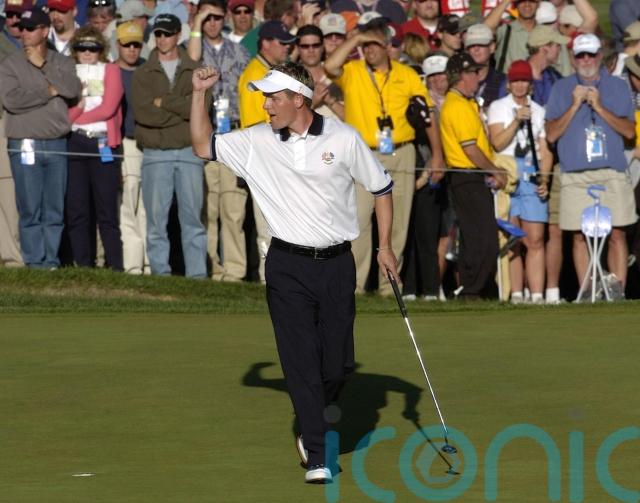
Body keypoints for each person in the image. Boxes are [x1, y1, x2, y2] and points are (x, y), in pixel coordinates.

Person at [190, 62, 397, 483]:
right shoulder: (256, 140)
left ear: (298, 99)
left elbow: (381, 189)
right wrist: (198, 93)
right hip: (286, 266)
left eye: (273, 98)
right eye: (265, 98)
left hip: (337, 265)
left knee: (337, 366)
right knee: (300, 361)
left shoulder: (343, 137)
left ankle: (310, 420)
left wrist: (386, 247)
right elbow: (200, 145)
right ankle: (319, 454)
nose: (265, 106)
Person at [325, 14, 444, 295]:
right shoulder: (353, 70)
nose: (369, 49)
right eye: (365, 45)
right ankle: (355, 286)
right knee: (359, 220)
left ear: (388, 45)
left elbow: (427, 116)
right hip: (363, 153)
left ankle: (389, 287)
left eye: (374, 44)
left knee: (398, 222)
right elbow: (329, 66)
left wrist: (437, 155)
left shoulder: (406, 74)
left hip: (401, 152)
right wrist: (356, 38)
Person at [546, 34, 637, 295]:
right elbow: (551, 135)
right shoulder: (561, 88)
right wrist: (575, 104)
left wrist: (599, 105)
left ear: (599, 56)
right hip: (575, 173)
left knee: (617, 232)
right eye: (580, 55)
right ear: (573, 59)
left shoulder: (617, 87)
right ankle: (588, 290)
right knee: (578, 234)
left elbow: (629, 131)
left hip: (612, 171)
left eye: (591, 54)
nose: (586, 60)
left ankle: (617, 291)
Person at [0, 7, 82, 269]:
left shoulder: (62, 62)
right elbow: (12, 101)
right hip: (24, 142)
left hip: (57, 142)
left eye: (30, 28)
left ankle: (51, 262)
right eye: (21, 28)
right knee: (30, 208)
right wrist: (48, 91)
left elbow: (71, 89)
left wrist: (43, 66)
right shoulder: (10, 64)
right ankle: (35, 263)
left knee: (54, 209)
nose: (23, 32)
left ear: (44, 31)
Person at [132, 13, 210, 278]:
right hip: (155, 153)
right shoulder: (142, 72)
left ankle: (197, 277)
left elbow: (201, 109)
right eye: (158, 33)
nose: (162, 38)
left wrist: (164, 102)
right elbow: (144, 114)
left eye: (167, 33)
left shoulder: (196, 70)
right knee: (156, 222)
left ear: (179, 35)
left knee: (193, 220)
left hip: (189, 151)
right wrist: (184, 109)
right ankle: (160, 275)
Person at [188, 0, 250, 281]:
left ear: (225, 17)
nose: (212, 23)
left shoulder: (239, 51)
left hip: (233, 134)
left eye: (216, 17)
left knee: (233, 208)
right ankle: (213, 268)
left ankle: (235, 270)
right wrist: (196, 24)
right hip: (207, 135)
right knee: (209, 208)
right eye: (206, 18)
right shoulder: (194, 49)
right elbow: (191, 60)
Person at [439, 52, 507, 299]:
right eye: (473, 72)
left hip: (470, 177)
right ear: (461, 76)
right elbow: (470, 149)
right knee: (483, 238)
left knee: (475, 237)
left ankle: (476, 289)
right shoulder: (457, 106)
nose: (478, 77)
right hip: (467, 176)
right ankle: (472, 289)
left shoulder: (465, 103)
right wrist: (495, 170)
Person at [488, 60, 551, 303]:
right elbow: (497, 143)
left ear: (530, 84)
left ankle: (536, 295)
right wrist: (516, 121)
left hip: (531, 174)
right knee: (512, 237)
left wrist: (544, 178)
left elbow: (545, 150)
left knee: (535, 239)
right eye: (515, 80)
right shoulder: (498, 107)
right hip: (507, 173)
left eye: (524, 80)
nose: (520, 85)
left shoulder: (539, 111)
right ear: (509, 83)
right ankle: (515, 294)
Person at [238, 19, 295, 281]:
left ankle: (280, 278)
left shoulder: (272, 73)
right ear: (266, 43)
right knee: (267, 227)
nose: (287, 47)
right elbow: (256, 128)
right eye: (282, 43)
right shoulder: (255, 76)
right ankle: (268, 279)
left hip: (279, 160)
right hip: (265, 162)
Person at [65, 26, 123, 270]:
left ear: (101, 49)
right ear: (75, 50)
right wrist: (75, 114)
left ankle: (115, 266)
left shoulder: (111, 70)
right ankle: (83, 265)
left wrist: (76, 116)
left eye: (93, 48)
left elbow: (108, 108)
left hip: (102, 143)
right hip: (75, 141)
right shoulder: (68, 70)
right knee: (77, 209)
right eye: (82, 48)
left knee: (107, 211)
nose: (87, 53)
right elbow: (63, 111)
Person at [116, 21, 148, 275]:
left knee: (147, 207)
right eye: (127, 45)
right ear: (118, 45)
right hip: (124, 143)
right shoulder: (111, 71)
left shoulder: (147, 70)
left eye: (136, 44)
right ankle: (133, 265)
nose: (132, 49)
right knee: (127, 204)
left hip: (149, 144)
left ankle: (148, 264)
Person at [296, 24, 343, 119]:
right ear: (298, 48)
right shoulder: (290, 79)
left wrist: (330, 100)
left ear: (322, 47)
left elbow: (354, 118)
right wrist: (312, 102)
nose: (311, 50)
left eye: (316, 45)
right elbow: (287, 121)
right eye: (305, 46)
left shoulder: (339, 74)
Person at [464, 23, 505, 110]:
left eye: (481, 44)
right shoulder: (459, 81)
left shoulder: (503, 82)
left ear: (492, 47)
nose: (476, 49)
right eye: (472, 45)